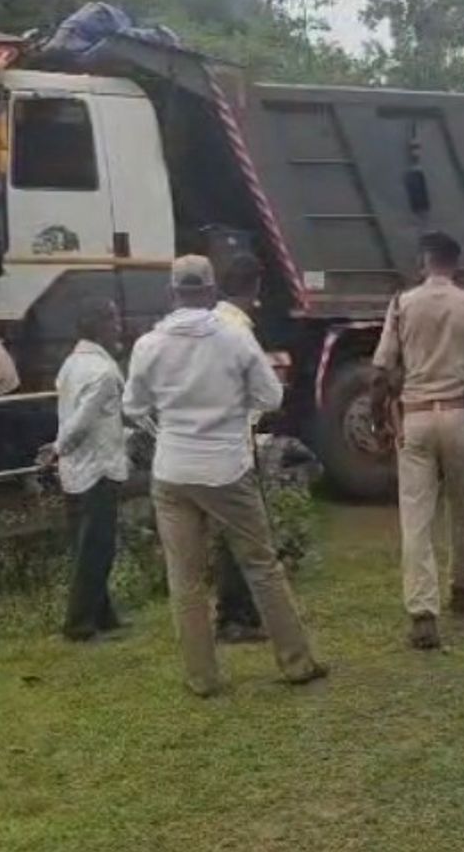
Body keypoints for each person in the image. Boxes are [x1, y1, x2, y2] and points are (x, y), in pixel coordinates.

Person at [123, 254, 326, 697]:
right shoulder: (234, 339)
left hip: (172, 471)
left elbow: (133, 406)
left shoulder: (149, 345)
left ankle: (202, 677)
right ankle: (296, 661)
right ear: (212, 291)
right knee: (261, 565)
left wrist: (165, 427)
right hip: (225, 469)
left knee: (185, 578)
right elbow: (271, 397)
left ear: (171, 293)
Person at [371, 231, 464, 651]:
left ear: (423, 262)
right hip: (460, 416)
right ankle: (463, 585)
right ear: (457, 264)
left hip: (415, 418)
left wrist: (380, 418)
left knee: (416, 516)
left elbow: (381, 371)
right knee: (461, 505)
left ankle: (423, 612)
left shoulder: (401, 304)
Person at [51, 298, 129, 642]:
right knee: (98, 548)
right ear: (98, 326)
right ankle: (79, 623)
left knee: (88, 545)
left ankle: (103, 615)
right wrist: (57, 448)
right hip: (99, 467)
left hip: (76, 469)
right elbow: (81, 423)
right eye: (112, 320)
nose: (118, 326)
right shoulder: (104, 372)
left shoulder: (70, 364)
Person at [212, 253, 269, 644]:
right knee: (246, 535)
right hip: (234, 443)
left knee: (227, 534)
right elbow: (264, 393)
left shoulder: (208, 321)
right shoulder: (240, 330)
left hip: (206, 442)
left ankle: (234, 612)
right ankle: (238, 616)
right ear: (256, 287)